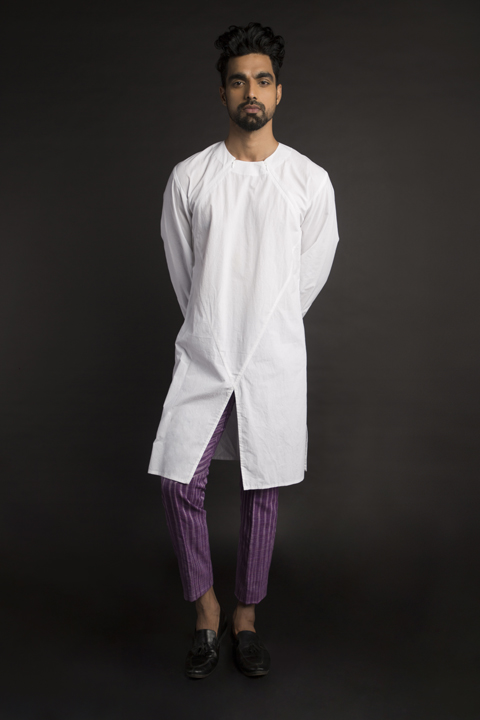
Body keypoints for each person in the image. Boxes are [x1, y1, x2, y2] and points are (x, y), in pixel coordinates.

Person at [148, 21, 340, 679]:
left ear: (279, 91)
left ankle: (246, 617)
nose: (250, 92)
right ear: (223, 92)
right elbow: (184, 271)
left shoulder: (309, 181)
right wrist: (215, 325)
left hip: (271, 355)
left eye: (262, 80)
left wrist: (266, 327)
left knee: (263, 487)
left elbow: (311, 270)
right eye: (238, 81)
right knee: (179, 479)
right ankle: (206, 610)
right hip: (206, 352)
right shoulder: (190, 178)